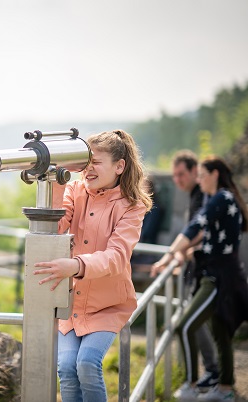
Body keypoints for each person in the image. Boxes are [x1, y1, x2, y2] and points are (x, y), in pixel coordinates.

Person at [33, 129, 152, 402]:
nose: (89, 169)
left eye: (97, 162)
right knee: (66, 368)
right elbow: (57, 226)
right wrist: (58, 178)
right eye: (86, 162)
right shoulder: (75, 190)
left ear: (119, 166)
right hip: (72, 304)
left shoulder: (131, 206)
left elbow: (117, 256)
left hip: (108, 304)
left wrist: (75, 266)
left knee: (86, 364)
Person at [151, 156, 248, 402]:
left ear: (215, 174)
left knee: (185, 326)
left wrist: (169, 256)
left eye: (203, 175)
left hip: (220, 278)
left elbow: (195, 226)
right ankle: (225, 389)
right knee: (221, 333)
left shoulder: (221, 198)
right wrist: (188, 252)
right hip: (221, 274)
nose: (199, 180)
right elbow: (211, 240)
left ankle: (191, 385)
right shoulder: (225, 199)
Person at [168, 149, 220, 392]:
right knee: (196, 322)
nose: (177, 180)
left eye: (181, 174)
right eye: (174, 176)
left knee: (191, 322)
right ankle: (212, 372)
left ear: (194, 171)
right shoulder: (195, 194)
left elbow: (200, 230)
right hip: (197, 267)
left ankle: (210, 373)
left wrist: (181, 251)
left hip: (205, 269)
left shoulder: (203, 195)